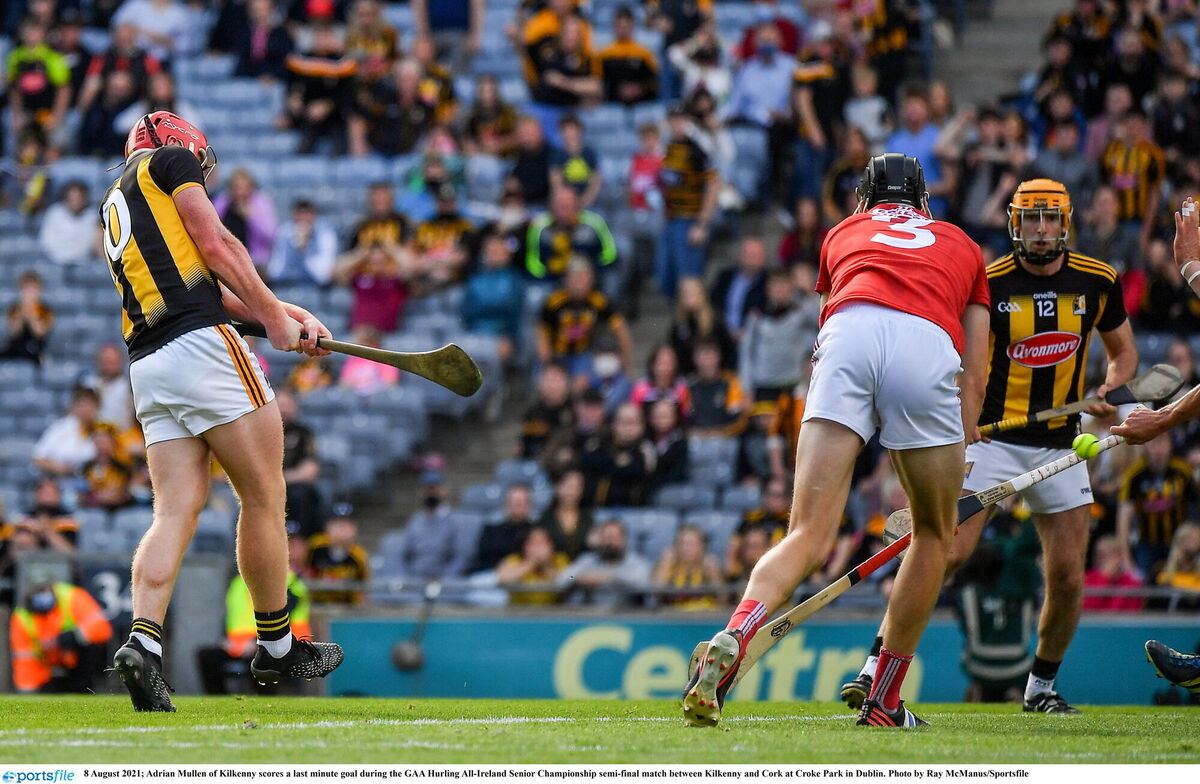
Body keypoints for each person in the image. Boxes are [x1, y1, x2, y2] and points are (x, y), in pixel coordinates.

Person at [684, 154, 991, 729]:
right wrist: (964, 426)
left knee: (807, 531)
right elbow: (975, 368)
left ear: (865, 198)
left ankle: (738, 631)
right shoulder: (963, 245)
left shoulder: (843, 232)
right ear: (924, 201)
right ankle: (885, 701)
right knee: (932, 532)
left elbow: (829, 325)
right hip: (926, 341)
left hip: (847, 338)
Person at [834, 178, 1137, 716]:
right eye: (1031, 219)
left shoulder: (1098, 280)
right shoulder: (987, 281)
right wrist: (964, 419)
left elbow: (1124, 355)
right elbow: (956, 357)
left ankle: (1040, 687)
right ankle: (875, 666)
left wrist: (1113, 391)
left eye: (1050, 219)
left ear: (1065, 224)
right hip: (989, 438)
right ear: (1014, 223)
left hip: (1062, 445)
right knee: (946, 550)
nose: (1041, 230)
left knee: (1067, 574)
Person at [98, 111, 343, 713]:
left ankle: (144, 644)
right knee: (263, 496)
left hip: (149, 366)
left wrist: (281, 313)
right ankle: (278, 644)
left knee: (174, 511)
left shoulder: (116, 196)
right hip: (199, 348)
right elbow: (219, 245)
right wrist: (277, 319)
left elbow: (201, 284)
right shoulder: (169, 163)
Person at [1114, 434, 1198, 582]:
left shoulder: (1183, 471)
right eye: (1153, 443)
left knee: (1180, 581)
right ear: (1145, 446)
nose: (1158, 449)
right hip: (1147, 542)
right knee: (1144, 583)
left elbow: (1195, 505)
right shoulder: (1134, 475)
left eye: (1163, 443)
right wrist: (1126, 560)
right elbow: (1124, 518)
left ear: (1170, 445)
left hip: (1178, 541)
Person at [10, 579, 113, 693]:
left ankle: (85, 690)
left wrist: (69, 637)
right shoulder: (22, 618)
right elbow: (25, 659)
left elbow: (102, 630)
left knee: (92, 650)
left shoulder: (72, 597)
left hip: (77, 657)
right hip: (48, 665)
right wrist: (29, 694)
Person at [556, 518, 652, 606]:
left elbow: (643, 583)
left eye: (614, 537)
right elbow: (562, 578)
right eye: (606, 538)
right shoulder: (588, 560)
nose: (610, 542)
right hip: (591, 617)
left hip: (627, 616)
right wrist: (578, 577)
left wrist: (611, 577)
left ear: (624, 539)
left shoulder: (636, 563)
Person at [306, 503, 370, 604]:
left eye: (347, 523)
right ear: (327, 526)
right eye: (337, 523)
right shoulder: (316, 547)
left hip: (347, 609)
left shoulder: (359, 556)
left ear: (355, 528)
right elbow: (303, 573)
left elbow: (363, 587)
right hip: (316, 605)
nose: (342, 528)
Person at [472, 484, 537, 573]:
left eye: (522, 502)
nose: (518, 505)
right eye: (514, 502)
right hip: (493, 576)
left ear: (530, 506)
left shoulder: (538, 532)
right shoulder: (491, 531)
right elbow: (484, 558)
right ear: (505, 505)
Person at [497, 526, 569, 604]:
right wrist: (531, 563)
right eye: (533, 543)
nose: (538, 547)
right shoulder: (514, 559)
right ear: (524, 546)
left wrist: (546, 566)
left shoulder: (560, 559)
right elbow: (502, 578)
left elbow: (570, 579)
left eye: (542, 542)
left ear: (551, 545)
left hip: (554, 611)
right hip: (518, 611)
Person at [38, 181, 99, 265]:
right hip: (55, 262)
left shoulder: (93, 216)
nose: (76, 201)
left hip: (84, 264)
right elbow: (47, 242)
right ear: (66, 198)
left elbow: (90, 245)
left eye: (79, 198)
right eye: (72, 198)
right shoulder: (54, 212)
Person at [2, 269, 54, 364]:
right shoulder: (14, 309)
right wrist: (22, 311)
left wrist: (31, 311)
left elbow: (40, 333)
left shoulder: (45, 310)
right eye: (26, 288)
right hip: (16, 349)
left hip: (36, 349)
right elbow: (15, 332)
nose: (29, 292)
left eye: (33, 288)